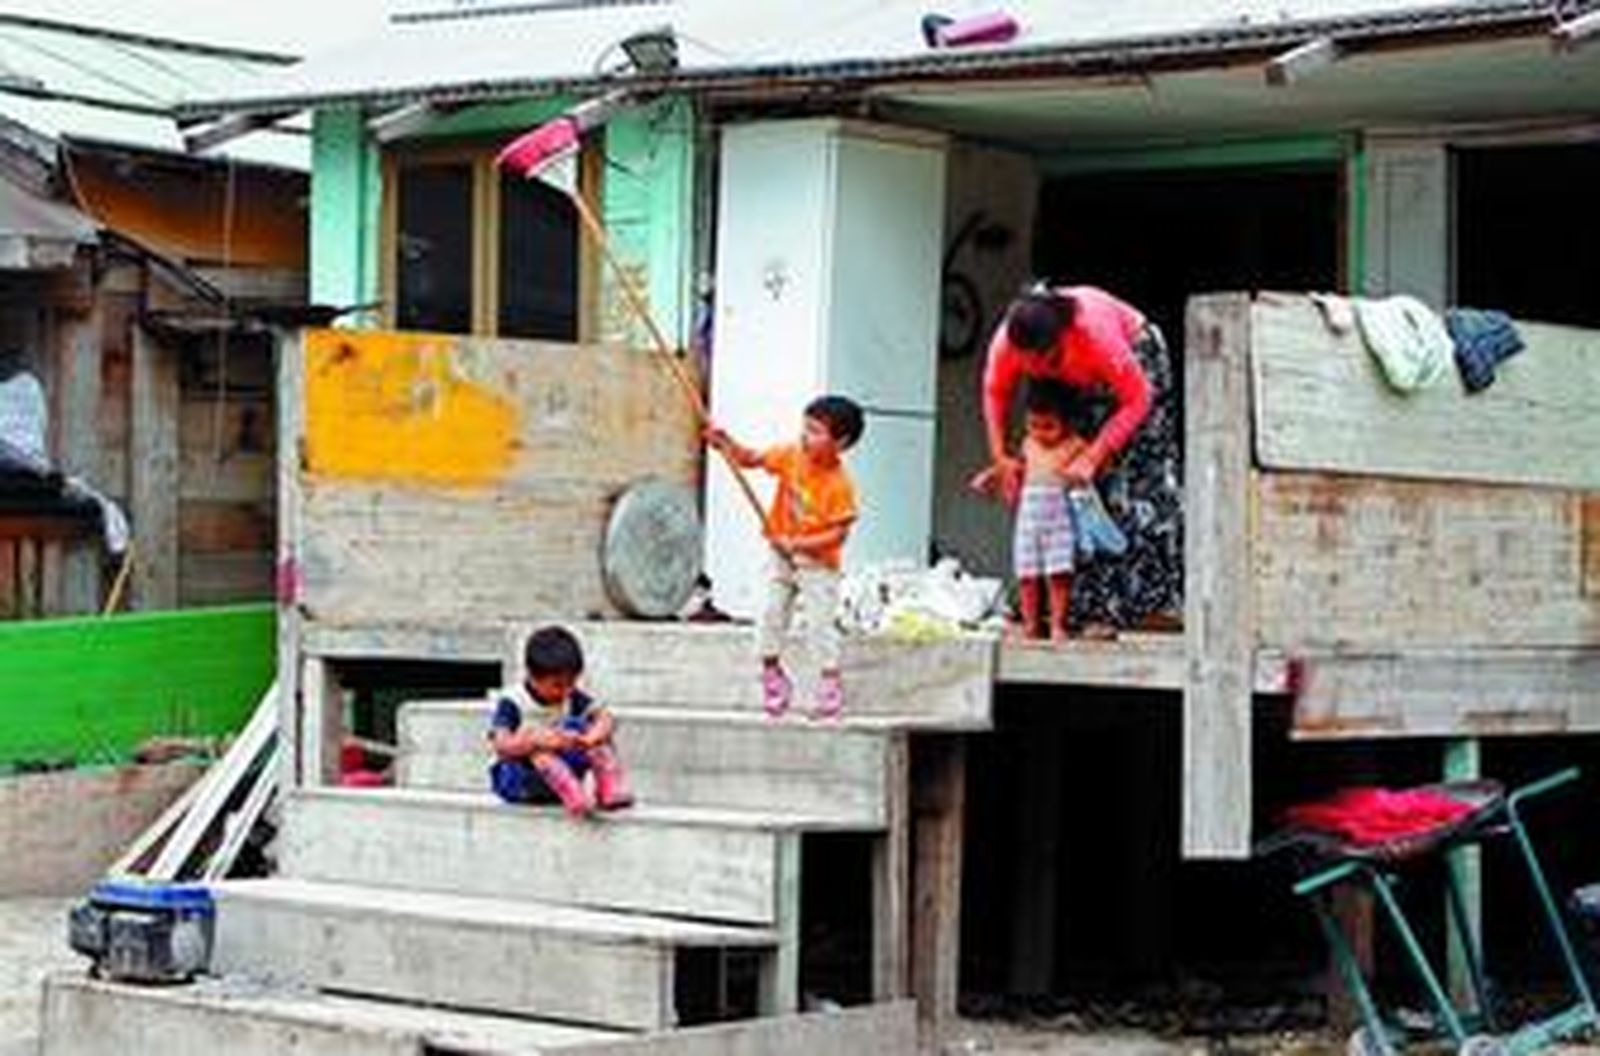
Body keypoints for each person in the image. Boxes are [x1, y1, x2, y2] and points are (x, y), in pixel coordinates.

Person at [980, 284, 1181, 630]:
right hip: (1079, 383)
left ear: (1063, 338)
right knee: (1072, 490)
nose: (1037, 371)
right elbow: (996, 392)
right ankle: (1083, 606)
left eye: (1048, 361)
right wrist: (1001, 457)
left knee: (1136, 480)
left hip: (1134, 369)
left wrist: (1097, 453)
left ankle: (1149, 604)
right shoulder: (1007, 343)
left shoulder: (1094, 333)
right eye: (1030, 368)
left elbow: (1138, 398)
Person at [704, 395, 864, 720]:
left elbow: (838, 535)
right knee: (769, 613)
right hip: (780, 555)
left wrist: (799, 544)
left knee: (820, 624)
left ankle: (829, 684)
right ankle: (773, 676)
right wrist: (726, 443)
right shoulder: (791, 454)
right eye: (805, 428)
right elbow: (750, 459)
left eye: (816, 432)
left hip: (818, 564)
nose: (806, 436)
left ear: (841, 443)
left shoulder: (840, 485)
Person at [972, 379, 1086, 640]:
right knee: (1027, 574)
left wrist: (1080, 474)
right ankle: (1031, 624)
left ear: (1066, 423)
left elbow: (1095, 467)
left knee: (1058, 574)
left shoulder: (1075, 445)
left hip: (1059, 519)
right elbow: (1015, 468)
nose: (1040, 432)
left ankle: (1058, 624)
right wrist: (991, 476)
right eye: (1033, 425)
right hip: (1029, 519)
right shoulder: (1028, 444)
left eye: (1049, 426)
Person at [488, 625, 633, 817]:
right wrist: (536, 741)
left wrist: (592, 737)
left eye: (571, 683)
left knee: (583, 727)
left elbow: (605, 717)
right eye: (557, 685)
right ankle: (560, 780)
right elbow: (501, 745)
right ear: (532, 677)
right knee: (533, 740)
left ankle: (608, 787)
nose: (565, 691)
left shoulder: (571, 695)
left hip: (564, 775)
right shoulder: (513, 701)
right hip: (519, 779)